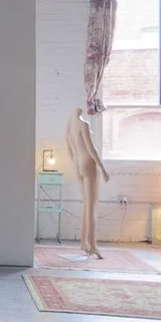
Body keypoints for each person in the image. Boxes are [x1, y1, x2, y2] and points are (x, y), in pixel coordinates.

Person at [65, 108, 110, 258]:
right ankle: (93, 246)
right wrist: (102, 168)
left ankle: (84, 242)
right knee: (92, 207)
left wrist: (75, 164)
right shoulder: (82, 124)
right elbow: (91, 149)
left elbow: (70, 148)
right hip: (87, 163)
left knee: (85, 204)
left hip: (77, 163)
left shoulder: (70, 123)